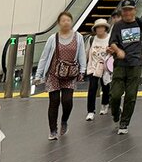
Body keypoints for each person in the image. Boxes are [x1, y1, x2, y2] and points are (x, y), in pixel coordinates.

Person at [36, 11, 86, 140]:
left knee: (67, 100)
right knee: (54, 102)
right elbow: (44, 57)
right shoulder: (53, 38)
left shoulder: (78, 37)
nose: (66, 22)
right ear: (59, 23)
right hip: (54, 74)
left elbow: (81, 54)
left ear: (72, 22)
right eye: (63, 20)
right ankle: (53, 130)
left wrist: (82, 70)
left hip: (70, 74)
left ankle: (64, 120)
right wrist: (39, 74)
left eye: (68, 20)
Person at [84, 18, 112, 121]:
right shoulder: (92, 39)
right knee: (92, 88)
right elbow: (87, 52)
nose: (100, 29)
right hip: (93, 67)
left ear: (105, 28)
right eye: (98, 27)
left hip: (106, 68)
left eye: (102, 27)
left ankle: (105, 104)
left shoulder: (110, 38)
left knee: (106, 87)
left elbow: (114, 50)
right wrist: (83, 66)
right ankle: (90, 111)